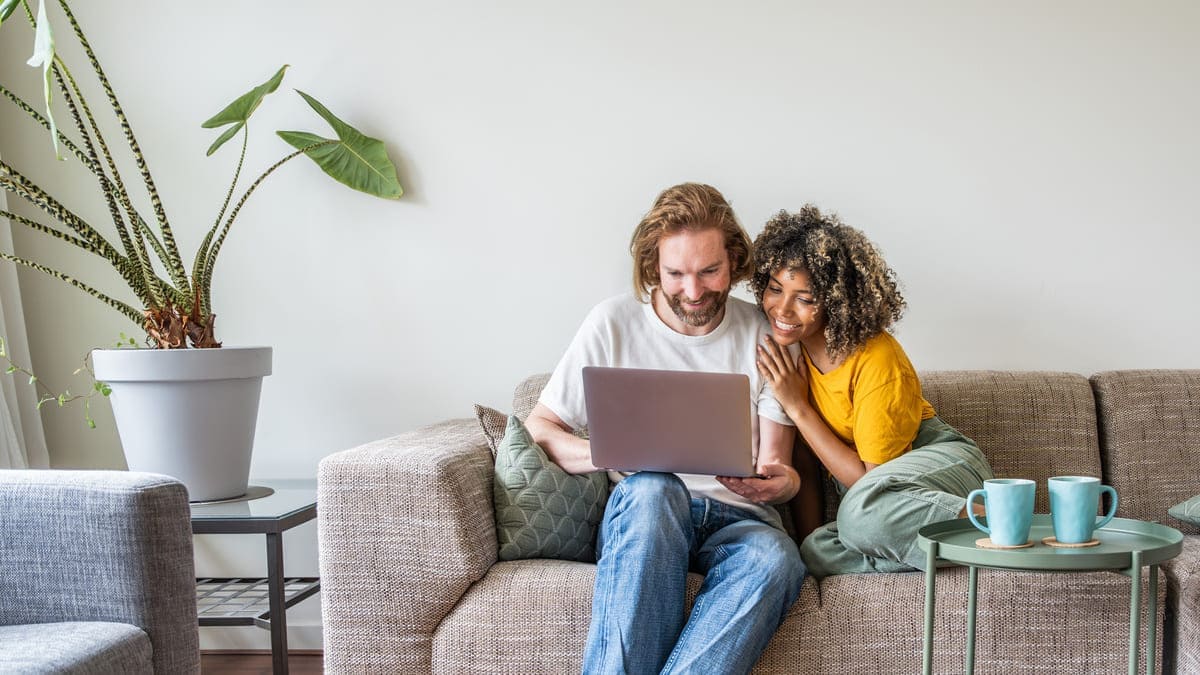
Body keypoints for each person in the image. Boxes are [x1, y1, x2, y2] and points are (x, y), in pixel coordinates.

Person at [526, 183, 806, 675]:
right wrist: (610, 452)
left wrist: (781, 483)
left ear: (734, 261)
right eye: (676, 273)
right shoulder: (612, 323)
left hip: (739, 520)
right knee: (654, 488)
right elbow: (540, 429)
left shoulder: (765, 334)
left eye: (709, 271)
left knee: (777, 559)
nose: (693, 292)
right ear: (654, 265)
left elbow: (777, 467)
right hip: (648, 513)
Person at [750, 205, 995, 578]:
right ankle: (964, 545)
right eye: (775, 288)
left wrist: (799, 407)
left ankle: (999, 520)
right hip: (875, 505)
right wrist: (809, 538)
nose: (782, 308)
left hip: (939, 467)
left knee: (860, 513)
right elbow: (805, 459)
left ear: (835, 300)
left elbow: (868, 482)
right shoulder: (792, 355)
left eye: (805, 298)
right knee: (816, 550)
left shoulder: (877, 359)